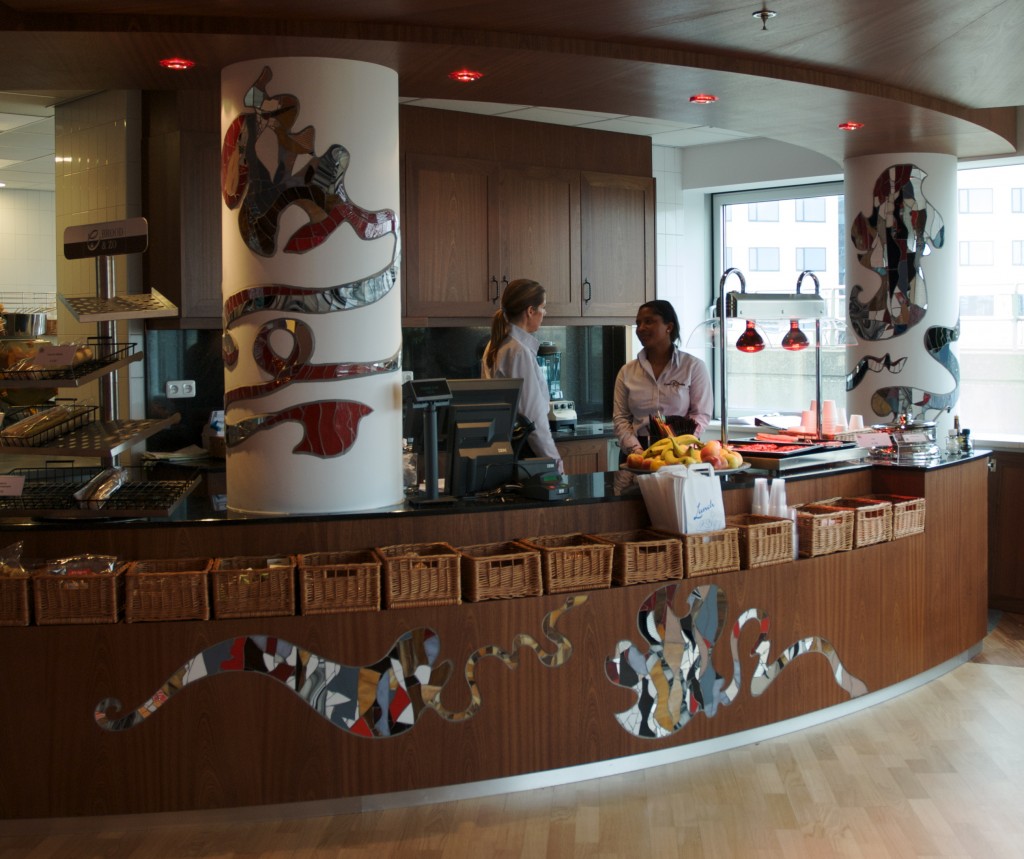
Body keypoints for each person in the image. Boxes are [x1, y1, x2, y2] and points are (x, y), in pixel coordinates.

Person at [482, 278, 564, 474]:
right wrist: (555, 464)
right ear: (530, 311)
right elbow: (533, 418)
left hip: (503, 447)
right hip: (524, 450)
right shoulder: (518, 351)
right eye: (543, 307)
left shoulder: (495, 344)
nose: (544, 313)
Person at [613, 299, 713, 458]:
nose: (641, 328)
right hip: (637, 451)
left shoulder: (693, 367)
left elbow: (701, 414)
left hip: (681, 452)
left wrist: (679, 445)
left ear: (669, 327)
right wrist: (636, 451)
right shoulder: (627, 372)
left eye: (649, 321)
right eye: (638, 323)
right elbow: (621, 419)